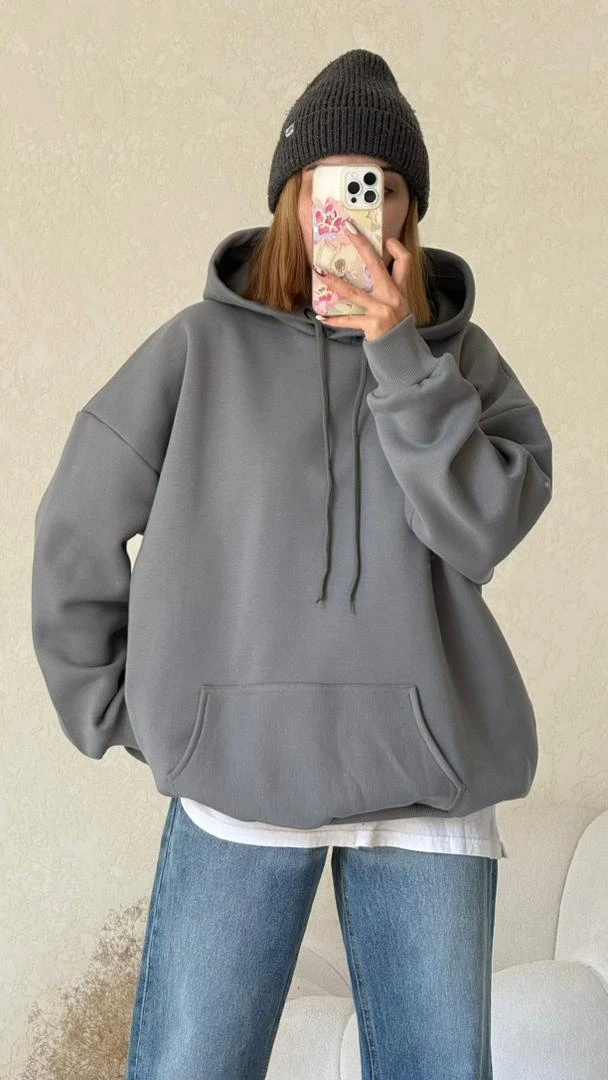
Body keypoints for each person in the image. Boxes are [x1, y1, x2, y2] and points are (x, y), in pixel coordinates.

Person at [31, 49, 553, 1079]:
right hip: (236, 779)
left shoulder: (459, 362)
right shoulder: (196, 350)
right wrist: (129, 710)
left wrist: (398, 353)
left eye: (381, 186)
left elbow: (482, 528)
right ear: (290, 201)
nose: (356, 209)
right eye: (333, 184)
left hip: (426, 790)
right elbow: (75, 528)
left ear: (408, 212)